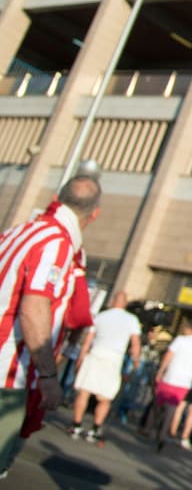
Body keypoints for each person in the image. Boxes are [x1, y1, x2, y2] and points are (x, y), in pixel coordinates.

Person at [0, 175, 101, 477]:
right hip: (9, 372)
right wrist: (47, 375)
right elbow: (34, 307)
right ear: (94, 214)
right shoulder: (56, 243)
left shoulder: (19, 231)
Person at [68, 290, 142, 444]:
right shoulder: (131, 320)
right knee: (105, 398)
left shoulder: (101, 316)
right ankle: (95, 428)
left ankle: (76, 425)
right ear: (125, 303)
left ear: (113, 300)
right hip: (114, 359)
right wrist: (136, 362)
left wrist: (80, 359)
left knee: (84, 392)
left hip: (95, 354)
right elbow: (135, 344)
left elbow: (88, 341)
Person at [153, 318, 192, 449]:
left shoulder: (180, 340)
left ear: (189, 329)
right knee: (173, 407)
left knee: (159, 402)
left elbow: (168, 355)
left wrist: (161, 370)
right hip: (185, 381)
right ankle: (164, 432)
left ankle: (158, 426)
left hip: (171, 376)